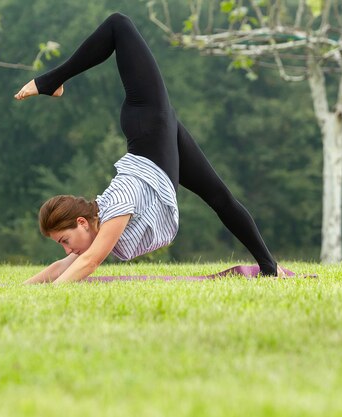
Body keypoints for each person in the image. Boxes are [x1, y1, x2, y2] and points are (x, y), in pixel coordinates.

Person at [15, 13, 284, 284]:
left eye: (65, 241)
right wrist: (23, 290)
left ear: (82, 223)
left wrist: (50, 295)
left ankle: (51, 81)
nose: (67, 249)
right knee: (219, 197)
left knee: (119, 25)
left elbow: (90, 262)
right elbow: (60, 267)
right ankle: (269, 268)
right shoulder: (101, 222)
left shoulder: (114, 209)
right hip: (155, 143)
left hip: (148, 126)